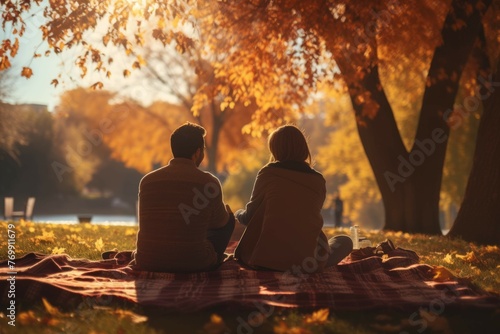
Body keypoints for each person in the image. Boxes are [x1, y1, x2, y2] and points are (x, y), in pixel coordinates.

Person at [234, 125, 352, 272]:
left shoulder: (268, 173)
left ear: (275, 150)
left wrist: (237, 213)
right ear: (303, 148)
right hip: (305, 263)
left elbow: (249, 217)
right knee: (345, 241)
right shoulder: (318, 180)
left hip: (265, 260)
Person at [129, 122, 235, 272]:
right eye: (203, 150)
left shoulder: (147, 181)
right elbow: (219, 223)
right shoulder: (208, 183)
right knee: (228, 220)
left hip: (147, 260)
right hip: (194, 264)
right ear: (197, 153)